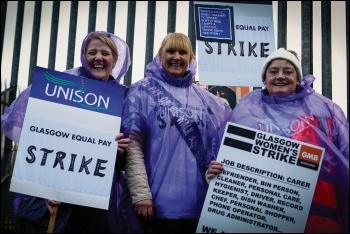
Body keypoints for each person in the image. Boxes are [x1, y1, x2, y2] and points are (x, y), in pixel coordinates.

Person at [1, 31, 142, 233]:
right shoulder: (57, 85)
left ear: (115, 59)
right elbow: (38, 141)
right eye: (92, 52)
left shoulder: (124, 99)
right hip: (48, 203)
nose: (98, 58)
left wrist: (117, 151)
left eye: (105, 53)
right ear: (83, 56)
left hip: (92, 205)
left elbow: (130, 157)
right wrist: (45, 191)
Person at [206, 48, 349, 233]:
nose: (280, 76)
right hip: (260, 214)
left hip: (316, 214)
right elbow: (223, 155)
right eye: (273, 71)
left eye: (288, 71)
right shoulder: (246, 110)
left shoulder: (322, 110)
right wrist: (215, 173)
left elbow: (343, 156)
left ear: (298, 77)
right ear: (264, 79)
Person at [121, 32, 233, 233]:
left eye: (183, 52)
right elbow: (133, 144)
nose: (176, 57)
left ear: (190, 58)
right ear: (160, 55)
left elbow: (224, 145)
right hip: (156, 205)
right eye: (170, 51)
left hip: (201, 205)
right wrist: (140, 193)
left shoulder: (209, 100)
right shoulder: (141, 91)